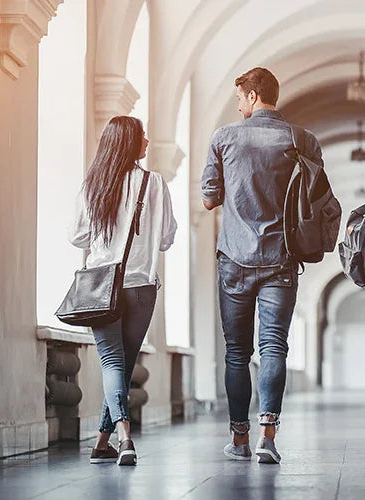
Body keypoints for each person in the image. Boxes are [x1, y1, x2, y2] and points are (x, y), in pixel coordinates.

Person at [201, 67, 323, 464]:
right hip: (281, 259)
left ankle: (239, 439)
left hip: (234, 260)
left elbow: (208, 198)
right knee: (274, 348)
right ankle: (267, 438)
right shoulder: (302, 139)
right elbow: (316, 198)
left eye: (240, 97)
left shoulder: (224, 137)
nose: (237, 105)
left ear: (253, 96)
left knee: (237, 352)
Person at [69, 116, 177, 466]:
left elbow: (77, 236)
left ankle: (119, 439)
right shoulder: (155, 183)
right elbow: (165, 239)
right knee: (124, 365)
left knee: (115, 364)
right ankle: (111, 440)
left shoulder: (94, 185)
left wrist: (107, 236)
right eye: (142, 136)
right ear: (130, 143)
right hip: (142, 288)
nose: (147, 141)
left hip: (102, 288)